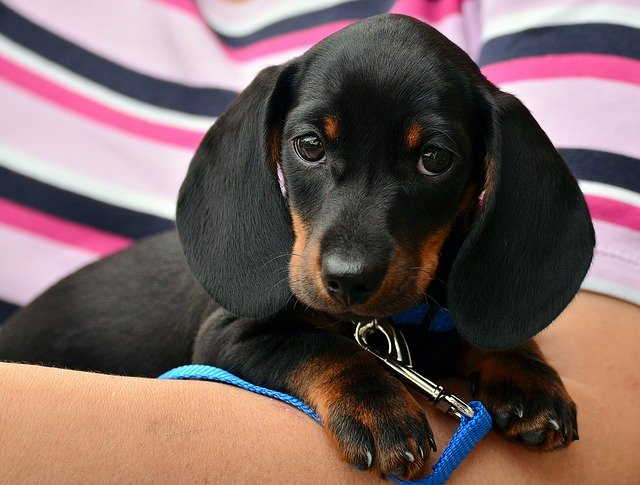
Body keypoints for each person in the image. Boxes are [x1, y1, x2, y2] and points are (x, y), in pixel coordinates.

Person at [1, 1, 638, 483]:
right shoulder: (262, 279)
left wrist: (508, 358)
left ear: (486, 177)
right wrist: (344, 378)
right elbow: (235, 337)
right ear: (274, 147)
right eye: (313, 147)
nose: (349, 259)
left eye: (432, 158)